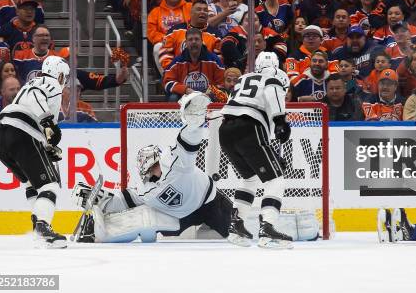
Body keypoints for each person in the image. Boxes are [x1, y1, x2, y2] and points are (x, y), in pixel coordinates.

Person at [72, 92, 233, 243]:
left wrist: (194, 124)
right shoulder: (145, 191)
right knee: (172, 246)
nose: (155, 168)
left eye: (155, 164)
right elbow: (122, 201)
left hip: (210, 202)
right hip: (181, 218)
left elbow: (188, 141)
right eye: (151, 167)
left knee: (234, 237)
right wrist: (100, 199)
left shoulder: (174, 164)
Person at [219, 52, 294, 248]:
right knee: (275, 178)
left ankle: (236, 226)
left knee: (250, 178)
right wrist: (280, 120)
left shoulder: (243, 79)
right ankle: (267, 228)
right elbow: (273, 93)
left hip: (225, 131)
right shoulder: (274, 78)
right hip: (249, 127)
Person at [0, 56, 70, 248]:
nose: (64, 81)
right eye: (64, 77)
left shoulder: (31, 82)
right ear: (59, 74)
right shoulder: (51, 83)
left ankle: (38, 224)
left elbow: (42, 131)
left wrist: (50, 147)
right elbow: (36, 99)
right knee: (50, 185)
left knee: (32, 184)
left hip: (1, 135)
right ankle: (43, 227)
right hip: (21, 132)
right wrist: (46, 120)